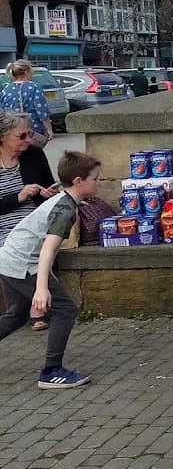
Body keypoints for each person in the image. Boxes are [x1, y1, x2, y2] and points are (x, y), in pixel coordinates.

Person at [0, 150, 101, 389]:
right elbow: (47, 249)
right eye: (95, 179)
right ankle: (51, 371)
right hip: (21, 262)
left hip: (8, 257)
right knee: (65, 310)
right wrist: (42, 288)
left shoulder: (64, 200)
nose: (99, 183)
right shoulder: (65, 210)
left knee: (17, 314)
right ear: (78, 181)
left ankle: (52, 369)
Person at [0, 111, 58, 331]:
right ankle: (29, 306)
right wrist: (18, 197)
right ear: (3, 136)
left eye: (30, 134)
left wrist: (47, 193)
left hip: (31, 221)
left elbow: (49, 184)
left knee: (34, 242)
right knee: (10, 247)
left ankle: (23, 308)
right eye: (22, 136)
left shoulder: (34, 154)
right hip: (3, 224)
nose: (28, 140)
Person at [1, 60, 54, 145]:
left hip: (12, 130)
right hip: (32, 129)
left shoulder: (6, 89)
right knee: (33, 154)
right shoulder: (34, 87)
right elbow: (41, 110)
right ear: (26, 72)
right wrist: (49, 129)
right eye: (31, 71)